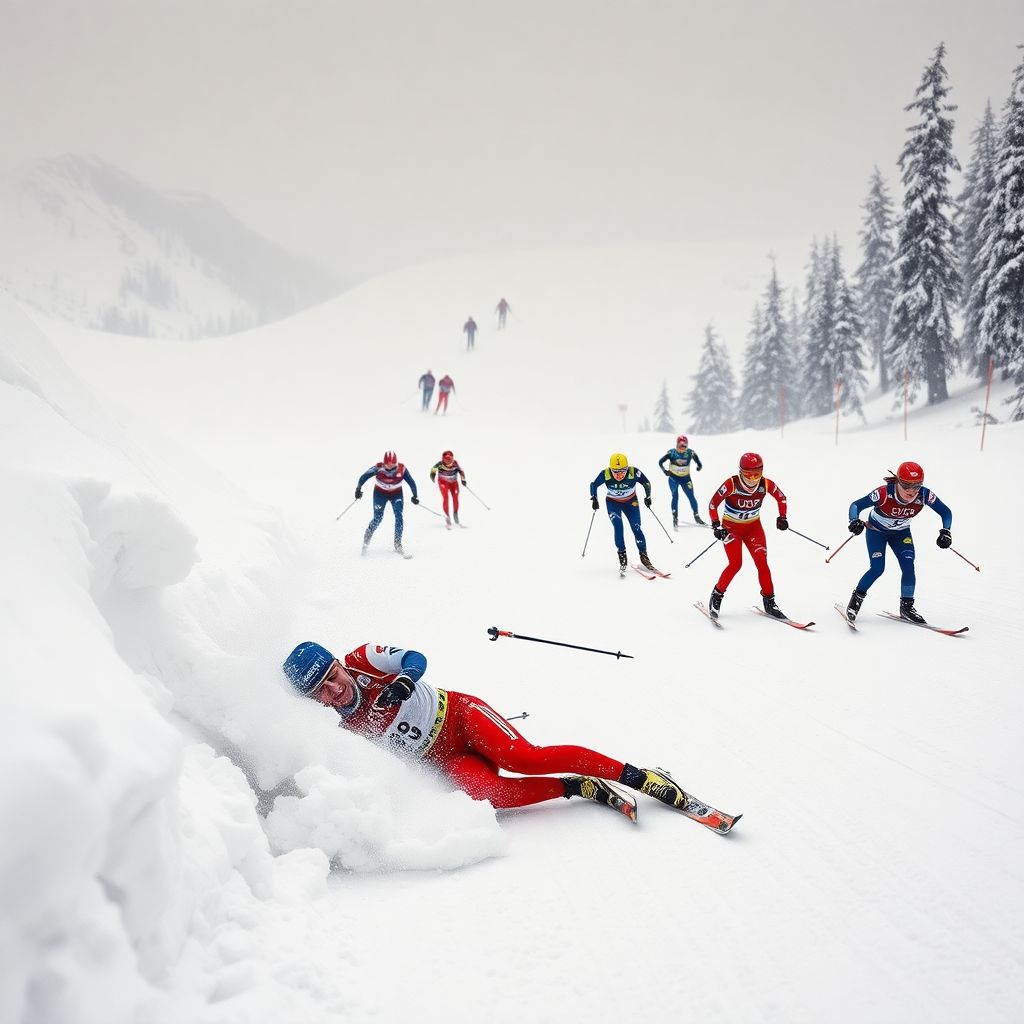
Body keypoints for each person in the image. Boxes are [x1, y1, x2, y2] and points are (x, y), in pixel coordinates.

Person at [282, 640, 738, 829]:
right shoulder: (330, 726)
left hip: (459, 716)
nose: (335, 689)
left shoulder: (362, 658)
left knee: (523, 758)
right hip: (444, 758)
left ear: (339, 663)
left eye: (333, 675)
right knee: (491, 796)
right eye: (321, 690)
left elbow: (414, 658)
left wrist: (404, 681)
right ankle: (580, 787)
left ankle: (641, 777)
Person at [844, 460, 953, 624]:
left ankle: (907, 607)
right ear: (898, 482)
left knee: (909, 566)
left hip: (901, 534)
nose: (912, 491)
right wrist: (854, 520)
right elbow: (856, 505)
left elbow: (946, 512)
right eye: (907, 485)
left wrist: (946, 531)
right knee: (877, 568)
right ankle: (855, 601)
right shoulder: (883, 493)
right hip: (876, 532)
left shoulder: (924, 495)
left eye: (917, 486)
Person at [707, 452, 789, 620]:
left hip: (753, 528)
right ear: (740, 472)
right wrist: (716, 525)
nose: (752, 479)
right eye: (748, 474)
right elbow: (713, 504)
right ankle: (717, 595)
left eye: (756, 474)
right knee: (735, 564)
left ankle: (769, 601)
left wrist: (782, 517)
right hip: (731, 529)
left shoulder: (765, 484)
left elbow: (782, 498)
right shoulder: (732, 484)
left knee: (762, 563)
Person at [589, 453, 656, 574]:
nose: (619, 475)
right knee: (618, 527)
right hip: (613, 503)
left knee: (636, 528)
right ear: (610, 469)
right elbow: (593, 485)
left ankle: (644, 556)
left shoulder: (634, 472)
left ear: (627, 468)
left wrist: (648, 496)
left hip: (631, 502)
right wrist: (594, 498)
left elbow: (646, 482)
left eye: (622, 471)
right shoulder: (605, 474)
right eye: (615, 472)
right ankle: (622, 556)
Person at [355, 451, 419, 555]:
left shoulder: (402, 469)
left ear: (396, 463)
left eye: (392, 465)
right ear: (384, 463)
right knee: (378, 518)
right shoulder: (378, 467)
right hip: (380, 494)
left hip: (396, 494)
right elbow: (364, 477)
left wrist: (415, 496)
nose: (390, 467)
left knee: (399, 516)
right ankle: (366, 542)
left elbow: (411, 482)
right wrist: (358, 489)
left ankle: (398, 544)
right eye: (387, 465)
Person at [657, 434, 705, 528]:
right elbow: (660, 462)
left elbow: (699, 463)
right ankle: (675, 517)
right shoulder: (671, 453)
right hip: (673, 479)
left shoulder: (690, 453)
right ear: (677, 445)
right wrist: (665, 471)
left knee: (691, 496)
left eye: (684, 446)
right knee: (675, 496)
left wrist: (699, 466)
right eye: (680, 446)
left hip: (685, 479)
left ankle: (697, 516)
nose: (682, 448)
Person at [430, 449, 467, 526]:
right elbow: (433, 470)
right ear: (443, 460)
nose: (449, 465)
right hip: (443, 482)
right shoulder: (439, 464)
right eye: (447, 462)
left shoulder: (455, 463)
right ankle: (447, 516)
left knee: (455, 497)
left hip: (453, 483)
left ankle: (455, 513)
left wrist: (463, 479)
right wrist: (432, 475)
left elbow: (461, 471)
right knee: (446, 497)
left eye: (450, 462)